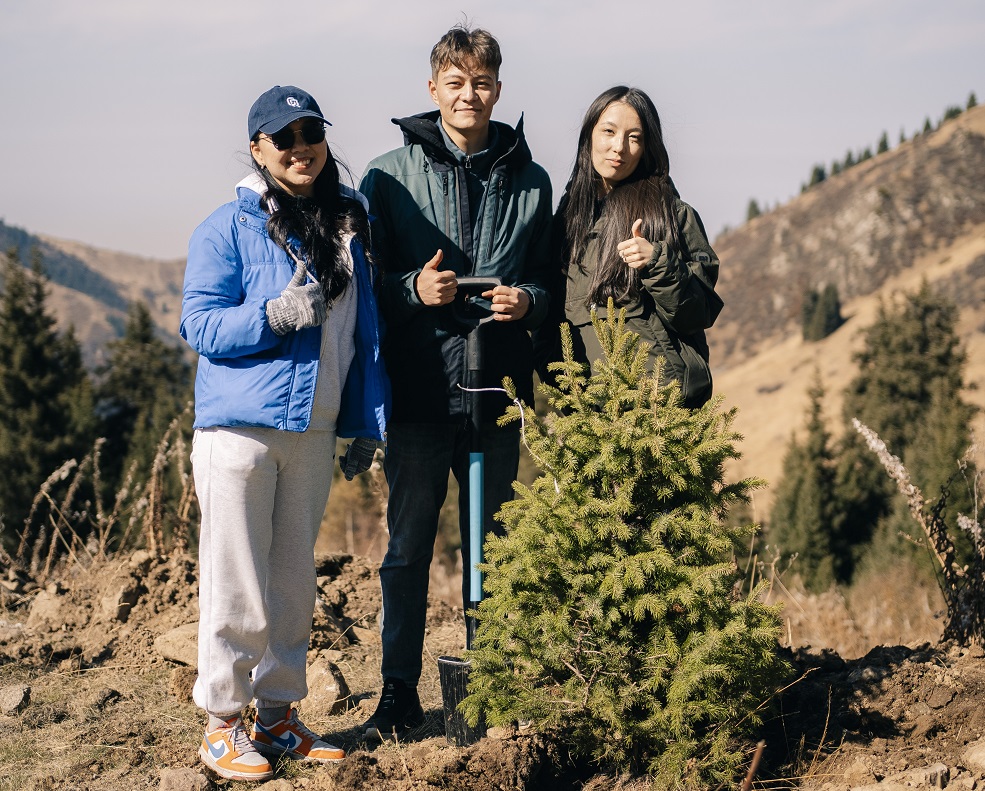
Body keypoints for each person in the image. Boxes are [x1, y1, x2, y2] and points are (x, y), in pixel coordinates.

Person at [180, 85, 388, 781]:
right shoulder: (225, 228)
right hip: (239, 431)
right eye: (284, 137)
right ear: (257, 149)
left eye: (311, 133)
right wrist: (270, 315)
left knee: (293, 582)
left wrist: (362, 420)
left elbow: (361, 336)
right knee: (236, 581)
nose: (301, 147)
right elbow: (200, 326)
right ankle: (221, 723)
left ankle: (278, 716)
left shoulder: (344, 227)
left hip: (314, 427)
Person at [358, 24, 553, 738]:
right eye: (455, 81)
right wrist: (414, 287)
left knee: (490, 547)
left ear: (497, 89)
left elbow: (550, 278)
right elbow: (362, 286)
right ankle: (398, 693)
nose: (469, 94)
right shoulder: (385, 175)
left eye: (482, 82)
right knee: (407, 547)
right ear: (433, 88)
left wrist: (527, 299)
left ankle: (489, 687)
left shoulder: (530, 181)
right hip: (416, 393)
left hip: (493, 393)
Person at [545, 86, 723, 408]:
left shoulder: (672, 215)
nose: (619, 148)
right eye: (609, 132)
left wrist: (657, 262)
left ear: (647, 148)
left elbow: (698, 312)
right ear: (589, 137)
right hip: (588, 416)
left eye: (634, 137)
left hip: (658, 412)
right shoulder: (567, 221)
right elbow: (554, 325)